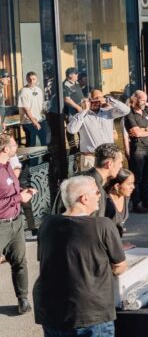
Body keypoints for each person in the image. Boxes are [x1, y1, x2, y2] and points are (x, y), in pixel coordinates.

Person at [33, 175, 126, 336]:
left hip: (50, 308)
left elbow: (49, 260)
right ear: (84, 198)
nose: (100, 196)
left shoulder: (47, 223)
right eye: (97, 192)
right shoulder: (103, 225)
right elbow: (119, 266)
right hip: (90, 311)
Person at [0, 132, 37, 314]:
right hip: (1, 225)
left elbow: (10, 191)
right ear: (5, 149)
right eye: (14, 146)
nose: (16, 149)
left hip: (16, 222)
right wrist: (18, 197)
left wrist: (23, 190)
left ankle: (22, 299)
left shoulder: (8, 166)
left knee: (19, 261)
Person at [65, 89, 130, 172]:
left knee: (109, 183)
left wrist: (109, 99)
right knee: (91, 183)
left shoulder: (108, 113)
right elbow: (71, 130)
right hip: (91, 158)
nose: (98, 100)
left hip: (108, 157)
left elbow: (126, 110)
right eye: (96, 98)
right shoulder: (82, 116)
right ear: (89, 99)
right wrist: (84, 110)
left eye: (100, 97)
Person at [123, 91, 148, 213]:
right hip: (138, 150)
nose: (145, 103)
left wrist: (145, 129)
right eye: (142, 100)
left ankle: (146, 200)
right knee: (137, 178)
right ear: (134, 99)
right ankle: (137, 203)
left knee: (147, 177)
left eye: (146, 100)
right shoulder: (129, 113)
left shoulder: (146, 112)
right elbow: (136, 133)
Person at [18, 72, 48, 147]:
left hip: (40, 120)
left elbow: (41, 105)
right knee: (31, 145)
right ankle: (31, 159)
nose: (31, 81)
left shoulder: (39, 90)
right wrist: (34, 121)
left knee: (45, 143)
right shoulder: (23, 91)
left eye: (33, 79)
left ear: (36, 79)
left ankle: (46, 158)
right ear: (26, 79)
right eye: (29, 79)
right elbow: (25, 109)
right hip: (29, 122)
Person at [104, 169, 135, 237]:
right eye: (129, 184)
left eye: (133, 183)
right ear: (117, 186)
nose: (133, 187)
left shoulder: (126, 197)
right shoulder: (106, 201)